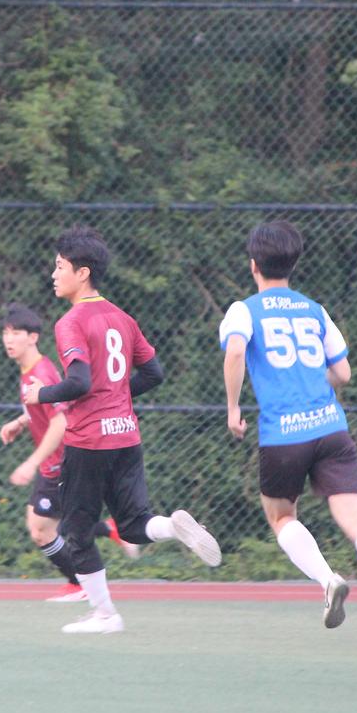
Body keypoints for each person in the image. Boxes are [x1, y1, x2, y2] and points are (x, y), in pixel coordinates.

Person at [23, 225, 221, 634]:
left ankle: (105, 615)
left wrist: (41, 394)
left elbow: (78, 382)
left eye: (59, 266)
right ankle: (173, 527)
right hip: (126, 435)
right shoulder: (123, 318)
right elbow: (154, 373)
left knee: (76, 533)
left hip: (89, 441)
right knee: (132, 524)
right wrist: (116, 395)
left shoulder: (70, 322)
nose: (53, 274)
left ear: (82, 273)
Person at [220, 220, 357, 648]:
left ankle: (328, 580)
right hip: (331, 429)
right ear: (294, 265)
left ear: (253, 265)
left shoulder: (244, 310)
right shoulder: (314, 310)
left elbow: (235, 351)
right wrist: (312, 382)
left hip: (283, 435)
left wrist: (233, 407)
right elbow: (343, 371)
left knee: (281, 516)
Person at [0, 302, 141, 604]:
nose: (9, 339)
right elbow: (49, 408)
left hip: (62, 461)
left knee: (42, 529)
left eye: (16, 333)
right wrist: (21, 422)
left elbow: (60, 421)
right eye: (6, 333)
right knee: (53, 523)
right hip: (57, 461)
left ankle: (80, 583)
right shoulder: (29, 371)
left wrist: (30, 463)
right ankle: (108, 534)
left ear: (33, 337)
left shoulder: (41, 371)